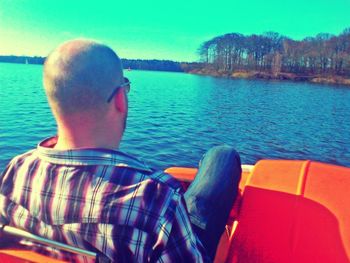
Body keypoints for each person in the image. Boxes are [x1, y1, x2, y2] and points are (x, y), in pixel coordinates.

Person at [0, 39, 241, 262]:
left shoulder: (16, 170)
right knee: (223, 156)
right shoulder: (156, 197)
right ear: (120, 100)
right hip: (174, 232)